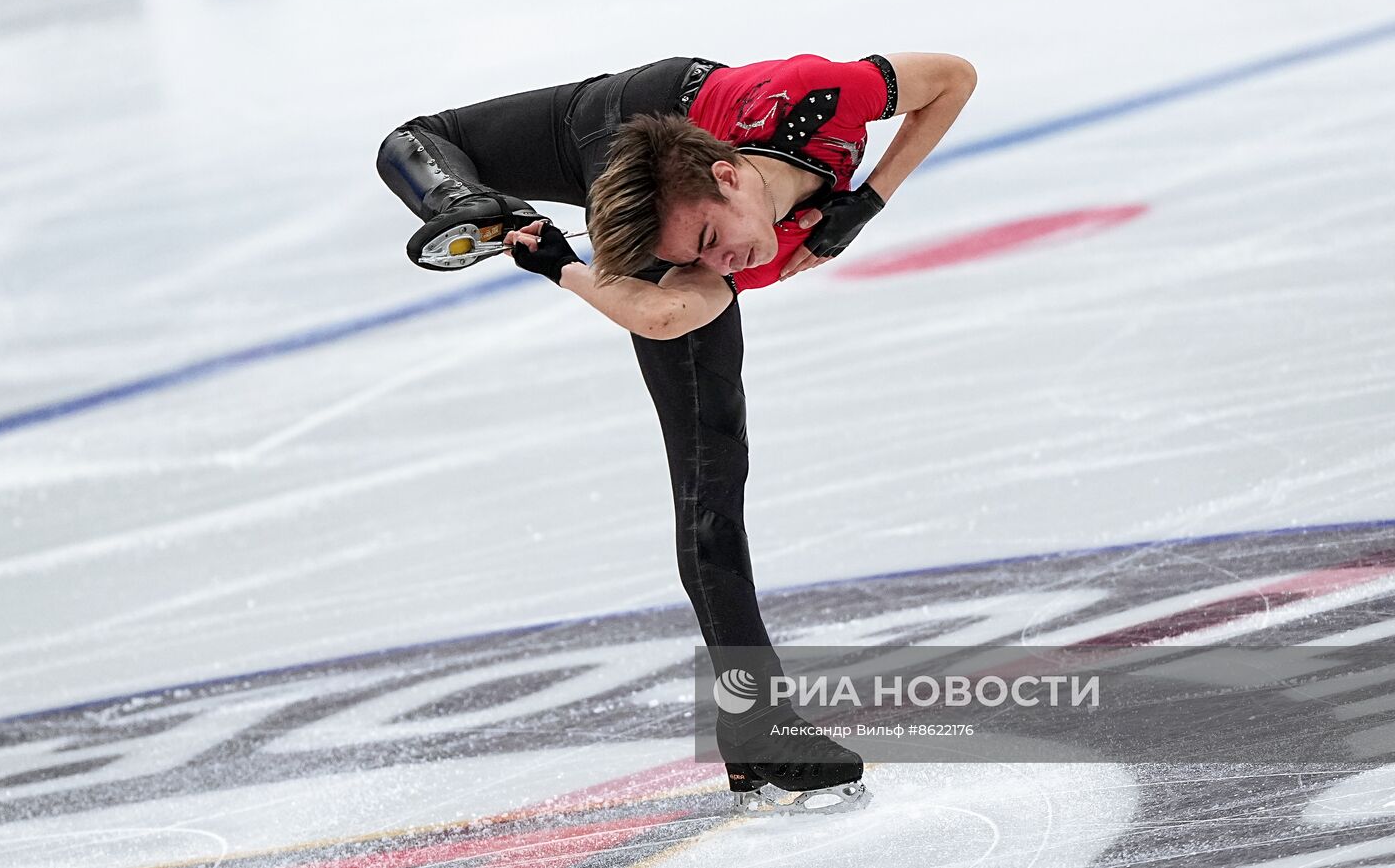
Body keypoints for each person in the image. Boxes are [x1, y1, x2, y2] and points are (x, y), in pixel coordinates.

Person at [376, 51, 976, 807]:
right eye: (695, 257)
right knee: (709, 472)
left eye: (707, 243)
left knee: (715, 473)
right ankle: (757, 727)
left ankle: (751, 732)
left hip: (665, 115)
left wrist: (872, 197)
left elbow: (953, 78)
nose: (721, 262)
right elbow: (662, 311)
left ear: (727, 178)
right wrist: (562, 264)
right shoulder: (684, 255)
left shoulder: (814, 98)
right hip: (614, 128)